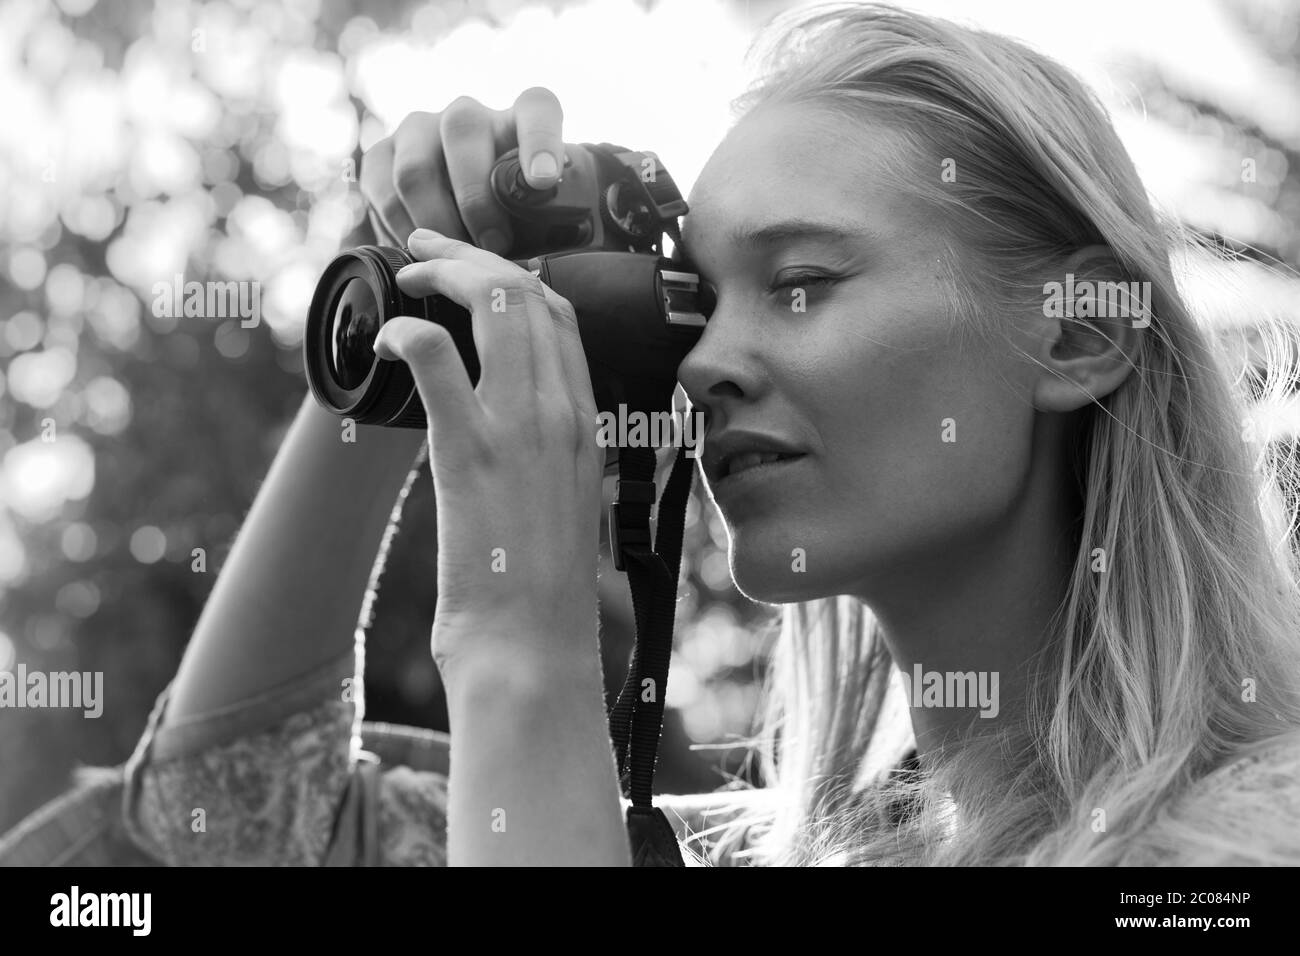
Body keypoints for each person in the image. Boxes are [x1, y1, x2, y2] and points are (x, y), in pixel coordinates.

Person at [119, 2, 1300, 867]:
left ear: (1075, 336)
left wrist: (520, 641)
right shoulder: (752, 852)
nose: (701, 361)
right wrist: (404, 311)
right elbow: (226, 814)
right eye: (697, 298)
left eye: (796, 283)